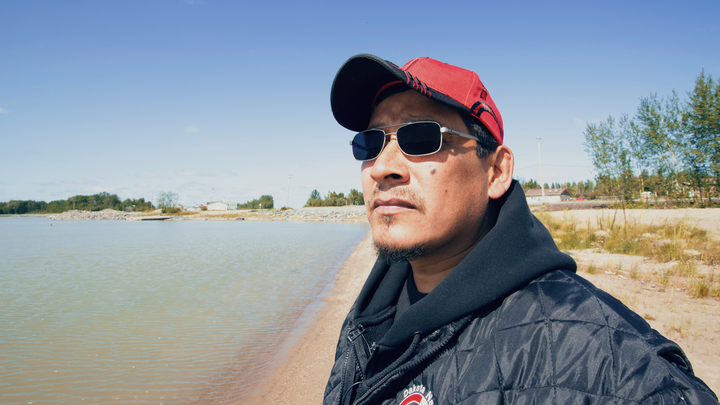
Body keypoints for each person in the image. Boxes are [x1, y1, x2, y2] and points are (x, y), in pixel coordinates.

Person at [322, 54, 718, 405]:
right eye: (369, 143)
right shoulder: (370, 311)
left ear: (496, 172)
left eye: (421, 137)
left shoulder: (596, 352)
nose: (380, 166)